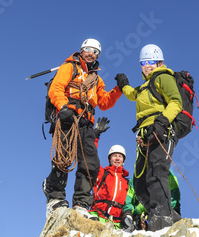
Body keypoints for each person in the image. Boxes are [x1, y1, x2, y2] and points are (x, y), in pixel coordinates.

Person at [42, 38, 123, 219]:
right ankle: (54, 194)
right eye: (88, 49)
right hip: (68, 117)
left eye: (95, 51)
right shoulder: (69, 68)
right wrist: (63, 107)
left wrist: (119, 89)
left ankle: (81, 202)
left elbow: (104, 102)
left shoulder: (96, 79)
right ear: (81, 50)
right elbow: (56, 88)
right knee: (64, 158)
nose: (91, 53)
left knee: (90, 163)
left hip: (86, 123)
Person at [115, 44, 182, 231]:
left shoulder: (163, 78)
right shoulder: (145, 86)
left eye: (152, 62)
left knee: (156, 175)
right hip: (145, 135)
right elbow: (132, 95)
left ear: (160, 62)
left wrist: (161, 123)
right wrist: (123, 85)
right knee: (139, 183)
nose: (148, 66)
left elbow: (176, 102)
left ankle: (162, 223)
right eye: (144, 62)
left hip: (161, 132)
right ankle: (169, 218)